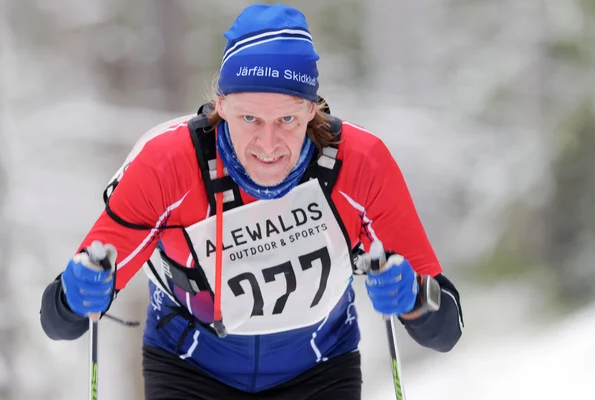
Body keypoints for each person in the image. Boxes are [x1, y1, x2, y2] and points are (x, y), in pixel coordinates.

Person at [39, 4, 464, 400]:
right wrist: (76, 296)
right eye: (249, 119)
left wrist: (413, 300)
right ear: (220, 106)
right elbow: (59, 321)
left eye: (287, 119)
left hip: (319, 371)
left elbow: (446, 330)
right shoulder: (168, 165)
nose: (268, 144)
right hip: (190, 371)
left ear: (313, 110)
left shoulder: (361, 164)